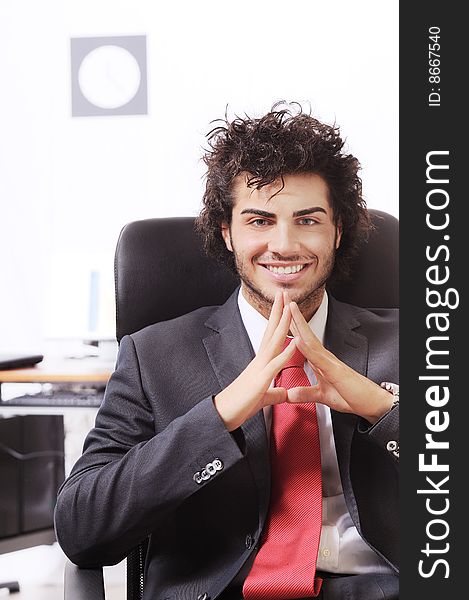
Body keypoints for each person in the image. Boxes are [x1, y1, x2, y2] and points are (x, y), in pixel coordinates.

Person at [55, 103, 399, 600]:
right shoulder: (154, 357)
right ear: (226, 231)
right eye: (259, 220)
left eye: (308, 219)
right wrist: (219, 417)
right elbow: (83, 529)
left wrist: (383, 410)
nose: (284, 245)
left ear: (337, 230)